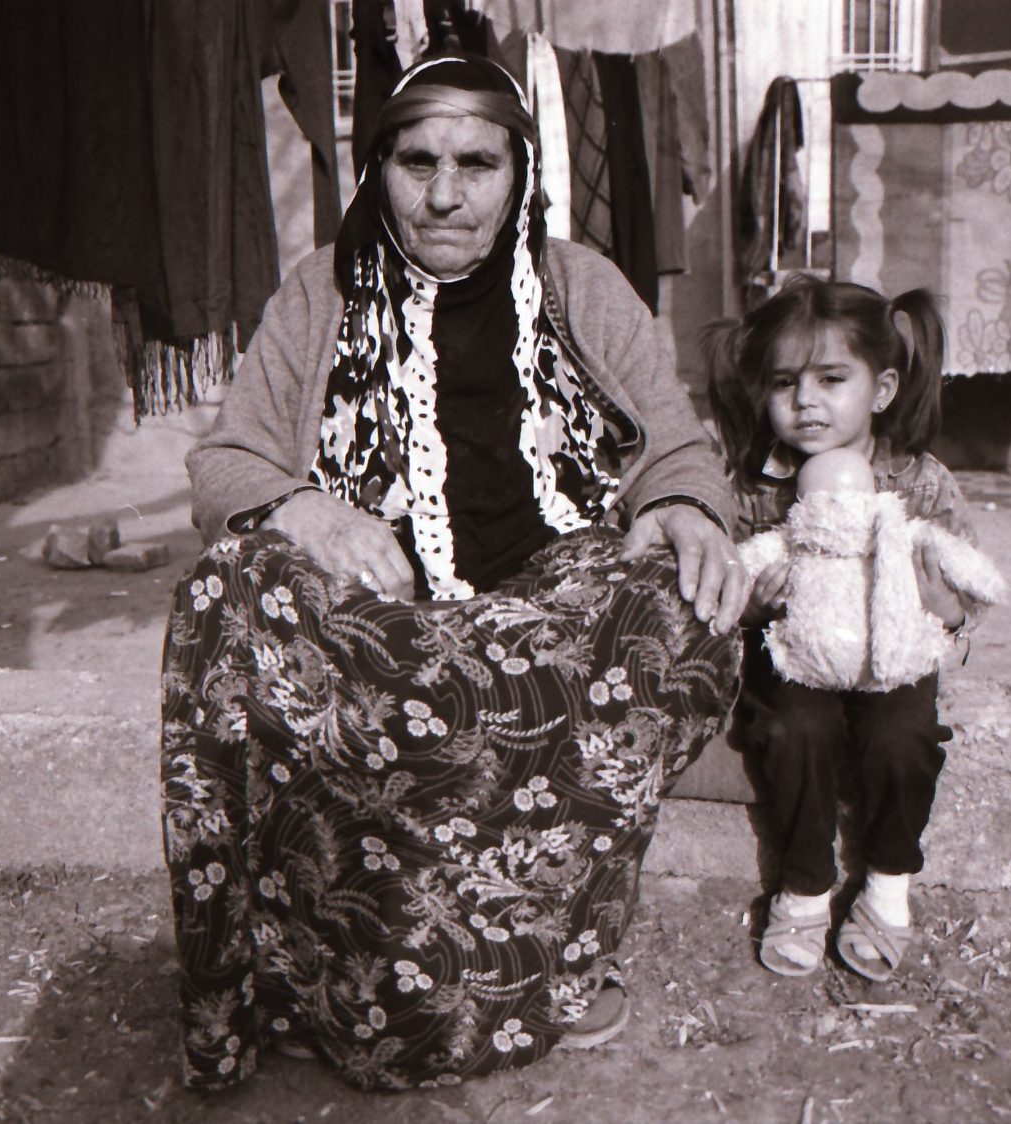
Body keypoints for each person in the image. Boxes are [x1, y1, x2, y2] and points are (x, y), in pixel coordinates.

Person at [162, 54, 746, 1091]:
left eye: (476, 162)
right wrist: (309, 509)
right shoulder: (319, 290)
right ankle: (304, 971)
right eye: (417, 159)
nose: (444, 193)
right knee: (225, 590)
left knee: (674, 605)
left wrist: (681, 504)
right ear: (375, 167)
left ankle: (553, 958)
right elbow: (224, 462)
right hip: (378, 626)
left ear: (520, 172)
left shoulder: (579, 284)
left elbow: (677, 445)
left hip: (553, 612)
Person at [708, 275, 976, 982]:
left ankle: (889, 883)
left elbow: (962, 591)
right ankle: (804, 885)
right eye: (785, 382)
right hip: (798, 656)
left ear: (882, 389)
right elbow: (730, 578)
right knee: (795, 732)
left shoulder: (919, 481)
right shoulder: (753, 483)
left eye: (832, 379)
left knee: (903, 739)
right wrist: (754, 601)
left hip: (891, 655)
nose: (806, 402)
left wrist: (938, 603)